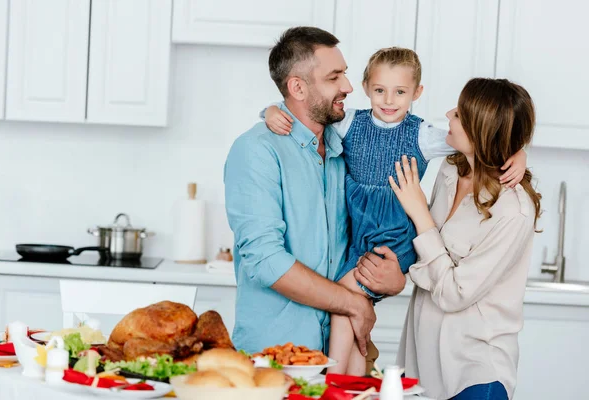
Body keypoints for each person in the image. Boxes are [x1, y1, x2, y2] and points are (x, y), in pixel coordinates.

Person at [263, 47, 528, 375]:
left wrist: (517, 152)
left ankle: (331, 382)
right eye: (379, 90)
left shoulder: (425, 136)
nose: (389, 100)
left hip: (394, 237)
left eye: (400, 92)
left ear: (416, 93)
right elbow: (307, 112)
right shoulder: (351, 124)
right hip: (359, 236)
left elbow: (493, 139)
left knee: (344, 303)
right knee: (351, 313)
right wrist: (271, 111)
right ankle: (351, 384)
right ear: (366, 88)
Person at [224, 27, 406, 365]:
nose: (349, 87)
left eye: (345, 74)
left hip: (338, 353)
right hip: (276, 360)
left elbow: (360, 239)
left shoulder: (343, 148)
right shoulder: (256, 151)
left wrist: (393, 279)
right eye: (334, 77)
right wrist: (351, 303)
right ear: (297, 87)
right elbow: (266, 261)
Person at [389, 78, 542, 399]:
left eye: (459, 114)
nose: (448, 114)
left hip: (473, 375)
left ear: (480, 130)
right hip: (423, 366)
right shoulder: (450, 169)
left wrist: (420, 214)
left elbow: (455, 294)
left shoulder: (512, 211)